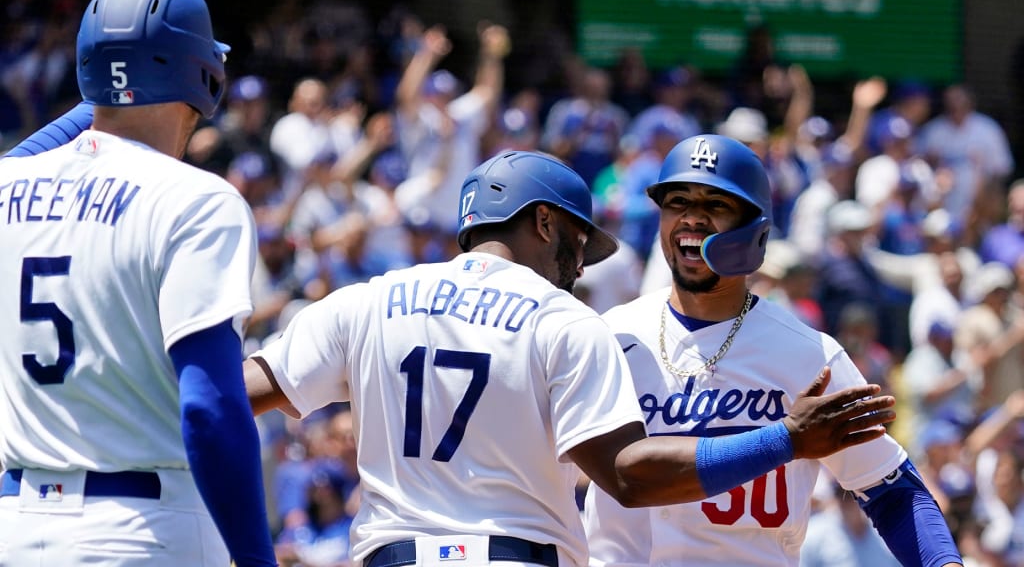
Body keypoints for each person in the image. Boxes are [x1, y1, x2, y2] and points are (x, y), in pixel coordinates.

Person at [243, 149, 895, 567]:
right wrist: (784, 440)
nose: (580, 266)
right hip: (513, 556)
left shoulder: (370, 300)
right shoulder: (566, 321)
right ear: (547, 224)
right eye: (580, 243)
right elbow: (630, 477)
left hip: (392, 555)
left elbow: (235, 392)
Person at [582, 134, 962, 567]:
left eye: (716, 205)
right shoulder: (610, 336)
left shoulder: (808, 355)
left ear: (753, 229)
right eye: (678, 202)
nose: (692, 219)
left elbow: (892, 490)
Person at [0, 0, 276, 566]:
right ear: (207, 77)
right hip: (143, 529)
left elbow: (33, 156)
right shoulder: (197, 199)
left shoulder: (7, 187)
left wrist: (106, 88)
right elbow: (208, 409)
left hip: (15, 528)